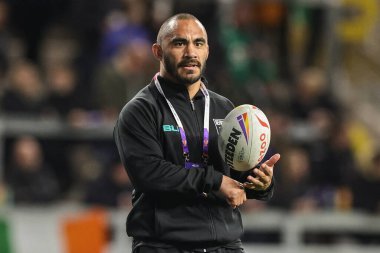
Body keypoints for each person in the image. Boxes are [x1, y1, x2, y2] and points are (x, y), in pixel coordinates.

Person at [113, 13, 281, 253]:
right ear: (158, 52)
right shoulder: (140, 110)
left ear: (207, 51)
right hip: (163, 245)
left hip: (224, 245)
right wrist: (214, 181)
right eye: (179, 43)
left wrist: (260, 184)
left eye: (198, 43)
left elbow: (235, 175)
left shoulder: (225, 109)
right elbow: (149, 174)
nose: (190, 52)